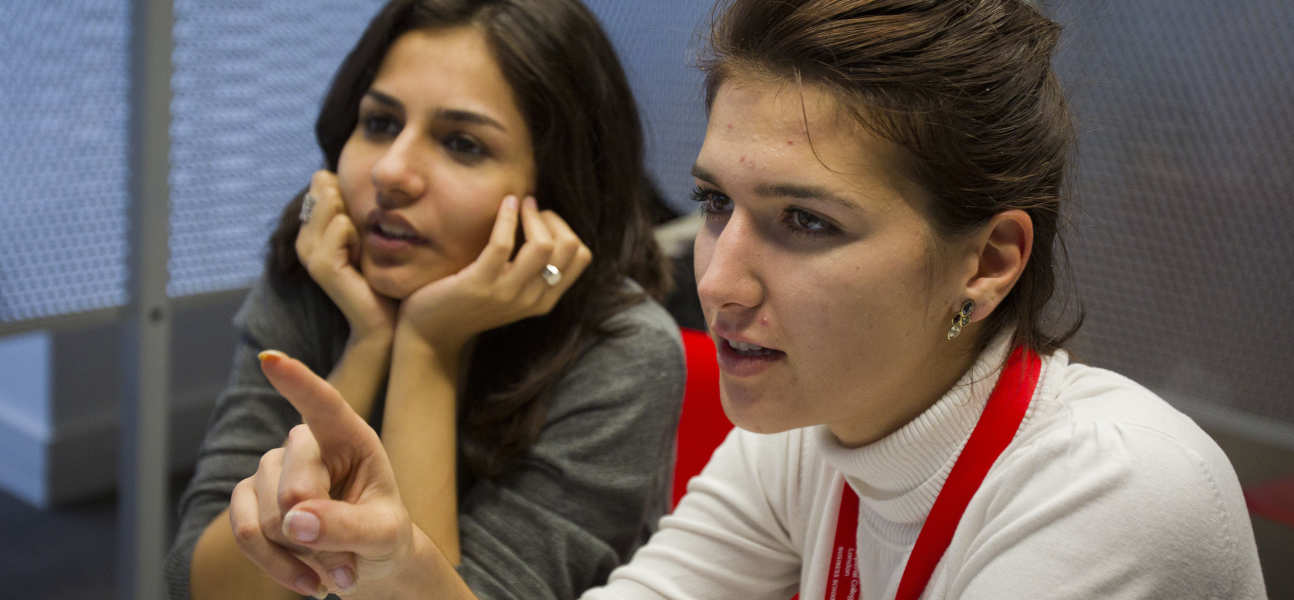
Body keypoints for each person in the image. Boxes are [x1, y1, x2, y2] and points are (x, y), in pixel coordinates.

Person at [227, 0, 1270, 598]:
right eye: (717, 203)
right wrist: (394, 560)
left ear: (988, 261)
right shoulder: (804, 433)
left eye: (806, 223)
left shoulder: (1121, 493)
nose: (715, 280)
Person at [163, 0, 687, 598]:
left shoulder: (624, 353)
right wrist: (368, 344)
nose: (392, 172)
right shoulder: (322, 271)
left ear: (556, 187)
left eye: (462, 143)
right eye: (381, 124)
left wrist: (427, 345)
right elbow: (197, 585)